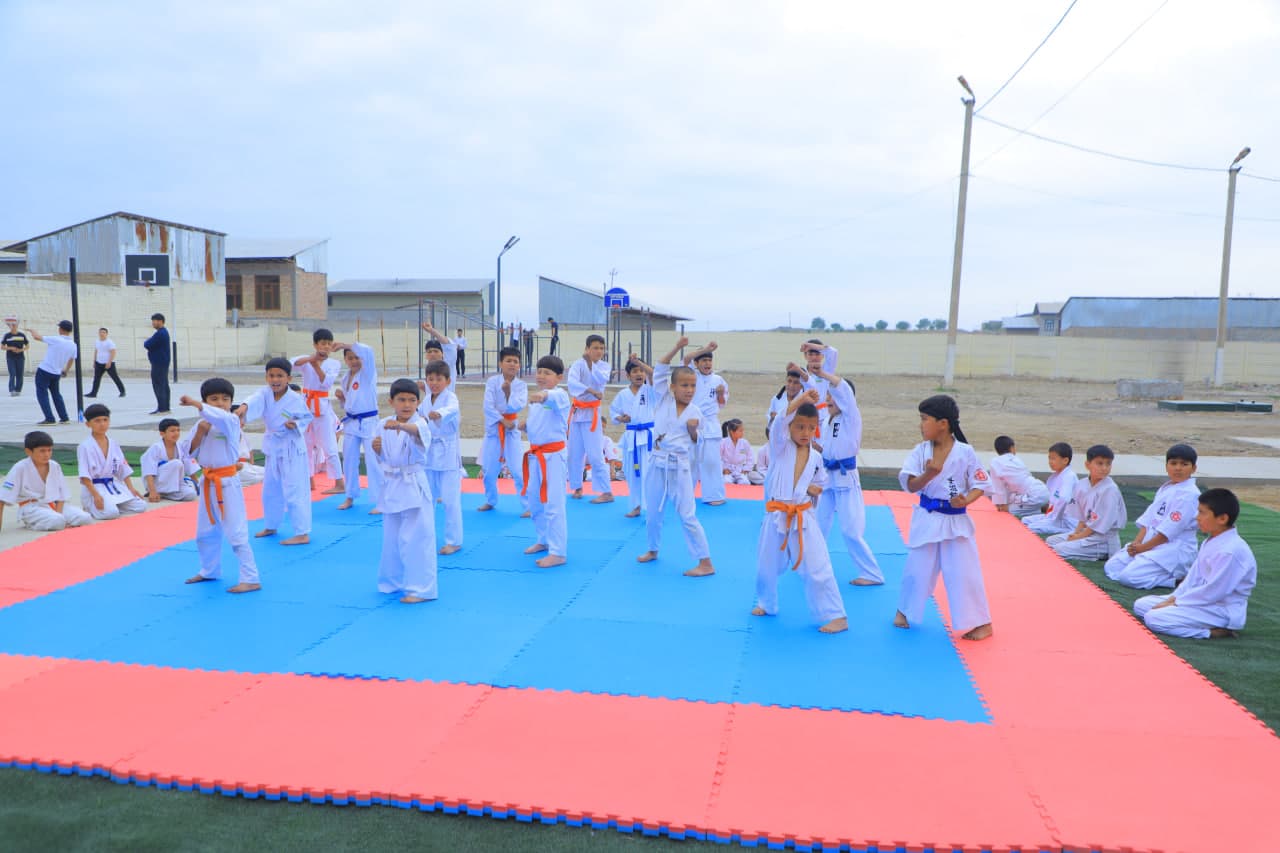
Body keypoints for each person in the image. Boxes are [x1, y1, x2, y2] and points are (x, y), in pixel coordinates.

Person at [894, 394, 994, 641]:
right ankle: (904, 611)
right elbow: (910, 485)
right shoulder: (920, 451)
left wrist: (966, 500)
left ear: (943, 423)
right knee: (917, 568)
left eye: (925, 419)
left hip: (955, 520)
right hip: (928, 517)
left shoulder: (965, 452)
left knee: (963, 572)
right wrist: (929, 473)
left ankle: (981, 622)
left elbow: (980, 483)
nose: (921, 424)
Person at [751, 391, 848, 633]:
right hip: (776, 515)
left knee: (817, 566)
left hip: (803, 518)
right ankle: (767, 603)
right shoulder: (780, 448)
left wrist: (814, 488)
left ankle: (836, 615)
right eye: (800, 427)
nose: (805, 433)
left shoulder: (816, 456)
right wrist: (801, 398)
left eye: (811, 428)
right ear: (789, 428)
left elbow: (822, 482)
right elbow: (779, 421)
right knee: (766, 565)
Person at [636, 338, 714, 577]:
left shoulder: (696, 412)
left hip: (679, 468)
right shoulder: (663, 398)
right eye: (684, 385)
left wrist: (693, 430)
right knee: (652, 513)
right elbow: (660, 366)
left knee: (688, 515)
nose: (689, 390)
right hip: (657, 463)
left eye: (692, 386)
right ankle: (652, 549)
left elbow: (699, 443)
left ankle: (705, 562)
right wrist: (677, 348)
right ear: (672, 387)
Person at [1133, 488, 1257, 639]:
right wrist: (1174, 598)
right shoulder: (1211, 541)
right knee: (1141, 605)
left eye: (1202, 513)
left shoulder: (1230, 551)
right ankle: (1184, 614)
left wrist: (1177, 603)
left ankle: (1212, 632)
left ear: (1222, 519)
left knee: (1154, 618)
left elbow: (1214, 591)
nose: (1197, 517)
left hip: (1220, 609)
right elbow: (1192, 579)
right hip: (1200, 601)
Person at [806, 362, 883, 586]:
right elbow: (831, 450)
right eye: (827, 395)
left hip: (846, 479)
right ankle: (813, 563)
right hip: (828, 478)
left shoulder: (851, 416)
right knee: (818, 523)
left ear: (845, 399)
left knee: (851, 530)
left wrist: (821, 373)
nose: (828, 399)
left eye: (832, 395)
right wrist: (816, 447)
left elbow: (844, 391)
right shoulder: (832, 420)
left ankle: (872, 574)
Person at [180, 380, 260, 593]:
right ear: (207, 399)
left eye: (225, 399)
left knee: (236, 531)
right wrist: (200, 432)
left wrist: (198, 405)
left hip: (227, 482)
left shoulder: (231, 421)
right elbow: (188, 452)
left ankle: (250, 577)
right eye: (214, 399)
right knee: (205, 532)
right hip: (208, 481)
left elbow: (222, 416)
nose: (220, 403)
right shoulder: (201, 424)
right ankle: (209, 570)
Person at [373, 378, 437, 604]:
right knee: (391, 538)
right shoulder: (383, 423)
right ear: (391, 401)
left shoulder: (420, 422)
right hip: (392, 485)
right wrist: (377, 450)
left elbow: (417, 434)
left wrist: (400, 426)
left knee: (417, 538)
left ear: (418, 403)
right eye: (401, 400)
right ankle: (393, 582)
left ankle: (421, 589)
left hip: (413, 484)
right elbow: (384, 457)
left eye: (412, 400)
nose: (407, 404)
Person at [240, 357, 314, 545]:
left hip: (292, 449)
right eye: (271, 375)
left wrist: (295, 424)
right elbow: (253, 401)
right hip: (273, 447)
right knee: (270, 490)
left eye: (279, 376)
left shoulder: (296, 399)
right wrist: (244, 407)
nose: (275, 379)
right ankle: (271, 524)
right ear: (266, 377)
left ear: (288, 378)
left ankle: (302, 532)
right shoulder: (264, 394)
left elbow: (306, 418)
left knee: (294, 490)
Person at [1104, 444, 1201, 589]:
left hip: (1173, 549)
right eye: (1173, 463)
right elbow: (1148, 521)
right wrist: (1135, 545)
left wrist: (1143, 549)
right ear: (1166, 466)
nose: (1178, 468)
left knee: (1128, 577)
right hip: (1150, 543)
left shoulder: (1189, 494)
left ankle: (1175, 580)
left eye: (1184, 464)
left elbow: (1168, 533)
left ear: (1193, 468)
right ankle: (1150, 570)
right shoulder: (1167, 488)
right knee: (1112, 567)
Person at [520, 354, 571, 568]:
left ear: (559, 377)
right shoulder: (537, 401)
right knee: (533, 500)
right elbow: (540, 423)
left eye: (547, 373)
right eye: (539, 372)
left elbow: (547, 397)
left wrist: (541, 396)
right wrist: (525, 425)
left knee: (554, 503)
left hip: (554, 457)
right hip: (536, 455)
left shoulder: (559, 395)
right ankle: (543, 539)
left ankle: (558, 552)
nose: (541, 376)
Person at [1046, 445, 1126, 561]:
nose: (1104, 468)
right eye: (1099, 463)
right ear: (1087, 465)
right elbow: (1082, 517)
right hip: (1087, 533)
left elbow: (1099, 523)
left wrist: (1079, 537)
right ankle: (1079, 546)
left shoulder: (1110, 489)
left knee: (1058, 549)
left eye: (1108, 464)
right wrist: (1076, 533)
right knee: (1050, 541)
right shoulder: (1082, 484)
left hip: (1103, 539)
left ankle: (1101, 553)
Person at [0, 430, 92, 531]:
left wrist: (58, 513)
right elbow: (3, 497)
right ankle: (33, 524)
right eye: (42, 451)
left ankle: (58, 521)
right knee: (57, 521)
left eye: (49, 450)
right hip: (32, 508)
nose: (47, 454)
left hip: (54, 504)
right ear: (28, 451)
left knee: (85, 518)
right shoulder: (20, 468)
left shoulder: (54, 466)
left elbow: (62, 495)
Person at [331, 338, 383, 513]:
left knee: (373, 461)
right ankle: (350, 495)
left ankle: (380, 500)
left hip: (369, 422)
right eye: (350, 358)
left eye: (357, 357)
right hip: (352, 422)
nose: (354, 361)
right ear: (345, 360)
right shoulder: (346, 378)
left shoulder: (368, 373)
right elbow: (351, 403)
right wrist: (342, 399)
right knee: (349, 460)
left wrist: (345, 345)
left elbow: (368, 351)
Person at [417, 361, 463, 555]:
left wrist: (438, 414)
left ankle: (454, 540)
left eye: (438, 379)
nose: (434, 383)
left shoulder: (451, 398)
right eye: (431, 379)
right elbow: (417, 419)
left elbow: (451, 410)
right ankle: (425, 536)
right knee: (427, 498)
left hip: (447, 455)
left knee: (450, 500)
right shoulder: (426, 400)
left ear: (447, 381)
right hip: (429, 455)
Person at [292, 328, 345, 495]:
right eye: (323, 343)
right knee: (305, 445)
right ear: (315, 344)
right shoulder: (305, 360)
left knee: (329, 446)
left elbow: (326, 383)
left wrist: (316, 365)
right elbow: (291, 364)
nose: (326, 347)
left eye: (329, 343)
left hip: (321, 409)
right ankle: (309, 480)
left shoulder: (334, 364)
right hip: (305, 408)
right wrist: (312, 359)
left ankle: (339, 482)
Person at [478, 346, 528, 514]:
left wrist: (508, 393)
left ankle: (528, 505)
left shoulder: (521, 385)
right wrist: (501, 420)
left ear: (519, 365)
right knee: (490, 471)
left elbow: (519, 404)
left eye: (515, 361)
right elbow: (487, 405)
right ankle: (491, 500)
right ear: (501, 363)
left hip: (512, 431)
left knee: (518, 470)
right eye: (508, 361)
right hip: (494, 430)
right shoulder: (492, 381)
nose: (512, 364)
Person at [76, 403, 148, 520]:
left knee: (141, 505)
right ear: (88, 424)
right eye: (97, 421)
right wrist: (96, 495)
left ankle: (111, 504)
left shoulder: (113, 443)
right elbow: (84, 475)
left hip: (112, 485)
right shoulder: (85, 446)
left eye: (105, 420)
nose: (102, 424)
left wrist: (131, 488)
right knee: (111, 513)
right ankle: (90, 506)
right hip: (95, 487)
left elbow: (122, 467)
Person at [566, 334, 613, 503]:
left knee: (595, 455)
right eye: (595, 348)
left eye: (602, 348)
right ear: (587, 349)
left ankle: (606, 492)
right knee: (574, 453)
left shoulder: (604, 366)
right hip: (577, 413)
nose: (599, 351)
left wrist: (590, 365)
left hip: (592, 414)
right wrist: (591, 391)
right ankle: (577, 487)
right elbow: (572, 384)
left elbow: (601, 379)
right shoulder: (577, 365)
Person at [609, 359, 655, 518]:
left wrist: (639, 363)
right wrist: (621, 418)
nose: (639, 374)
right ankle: (636, 506)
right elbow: (613, 413)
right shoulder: (623, 394)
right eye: (635, 371)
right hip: (631, 437)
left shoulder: (650, 390)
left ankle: (653, 507)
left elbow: (653, 374)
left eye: (641, 371)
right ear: (628, 375)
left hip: (648, 437)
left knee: (650, 473)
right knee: (631, 473)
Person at [688, 343, 728, 505]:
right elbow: (686, 358)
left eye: (709, 360)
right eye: (703, 360)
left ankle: (714, 495)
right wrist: (706, 349)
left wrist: (720, 395)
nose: (707, 363)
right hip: (691, 422)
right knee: (689, 460)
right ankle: (683, 494)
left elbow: (722, 403)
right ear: (696, 364)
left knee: (711, 461)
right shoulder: (691, 376)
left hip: (710, 424)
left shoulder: (719, 380)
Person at [1022, 442, 1079, 535]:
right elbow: (1052, 501)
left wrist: (1053, 518)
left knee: (1031, 528)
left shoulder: (1069, 476)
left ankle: (1068, 531)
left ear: (1065, 460)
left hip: (1066, 520)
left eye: (1053, 459)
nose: (1050, 462)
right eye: (1049, 458)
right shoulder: (1054, 477)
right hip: (1053, 516)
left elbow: (1064, 500)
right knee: (1025, 520)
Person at [28, 320, 77, 425]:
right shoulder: (73, 344)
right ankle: (64, 417)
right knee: (56, 394)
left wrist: (32, 331)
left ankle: (49, 418)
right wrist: (66, 370)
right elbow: (72, 359)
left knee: (42, 394)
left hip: (45, 370)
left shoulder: (56, 339)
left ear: (61, 329)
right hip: (56, 372)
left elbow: (37, 337)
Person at [988, 435, 1050, 517]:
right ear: (1012, 448)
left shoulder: (995, 462)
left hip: (1033, 496)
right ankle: (1042, 507)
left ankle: (1040, 510)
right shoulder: (1017, 459)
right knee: (1015, 499)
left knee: (1007, 509)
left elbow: (998, 486)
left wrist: (1000, 504)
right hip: (1043, 489)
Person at [141, 418, 198, 502]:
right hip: (157, 483)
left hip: (177, 483)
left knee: (191, 495)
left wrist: (197, 484)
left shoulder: (181, 446)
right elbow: (149, 471)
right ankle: (159, 491)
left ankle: (166, 493)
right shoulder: (156, 448)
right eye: (172, 431)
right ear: (162, 433)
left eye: (178, 430)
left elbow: (189, 466)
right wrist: (152, 491)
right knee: (177, 463)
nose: (176, 433)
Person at [85, 327, 126, 399]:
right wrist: (94, 361)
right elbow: (96, 351)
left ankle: (122, 392)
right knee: (96, 379)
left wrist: (109, 362)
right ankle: (93, 393)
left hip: (109, 363)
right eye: (100, 332)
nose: (102, 334)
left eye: (103, 332)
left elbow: (113, 352)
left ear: (106, 334)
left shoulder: (109, 342)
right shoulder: (97, 341)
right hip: (99, 363)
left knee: (115, 378)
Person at [143, 313, 171, 414]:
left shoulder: (160, 333)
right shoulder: (162, 332)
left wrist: (147, 341)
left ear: (160, 321)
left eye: (154, 321)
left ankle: (162, 408)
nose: (153, 323)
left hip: (159, 363)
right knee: (163, 385)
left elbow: (147, 344)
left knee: (159, 385)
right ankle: (165, 407)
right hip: (162, 362)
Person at [766, 367, 805, 435]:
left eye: (796, 382)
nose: (791, 385)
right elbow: (770, 419)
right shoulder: (776, 399)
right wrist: (773, 418)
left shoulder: (805, 401)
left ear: (802, 385)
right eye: (789, 381)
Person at [421, 322, 458, 390]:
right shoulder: (429, 369)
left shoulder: (448, 363)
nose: (432, 354)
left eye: (436, 351)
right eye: (429, 351)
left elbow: (447, 344)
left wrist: (431, 330)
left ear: (443, 353)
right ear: (426, 356)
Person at [720, 419, 754, 485]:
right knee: (726, 482)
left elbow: (750, 458)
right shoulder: (723, 442)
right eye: (740, 431)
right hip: (727, 471)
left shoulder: (745, 443)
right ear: (732, 432)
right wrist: (723, 469)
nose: (742, 433)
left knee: (745, 482)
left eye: (743, 430)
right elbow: (717, 458)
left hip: (740, 470)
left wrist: (746, 469)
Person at [4, 315, 29, 396]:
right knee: (12, 373)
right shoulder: (7, 335)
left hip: (20, 358)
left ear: (17, 325)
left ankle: (18, 390)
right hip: (10, 358)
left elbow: (27, 346)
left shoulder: (22, 335)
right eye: (10, 325)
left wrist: (21, 350)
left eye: (14, 325)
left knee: (19, 374)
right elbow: (2, 346)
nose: (12, 326)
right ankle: (12, 390)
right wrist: (10, 348)